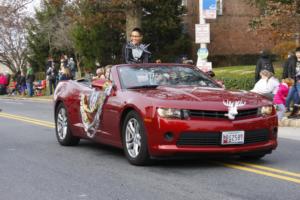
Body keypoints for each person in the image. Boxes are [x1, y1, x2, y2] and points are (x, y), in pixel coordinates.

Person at [285, 47, 300, 112]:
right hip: (293, 81)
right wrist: (290, 80)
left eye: (299, 53)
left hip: (299, 82)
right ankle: (287, 108)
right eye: (297, 53)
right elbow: (289, 70)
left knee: (298, 96)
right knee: (289, 96)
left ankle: (296, 109)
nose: (298, 54)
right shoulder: (293, 60)